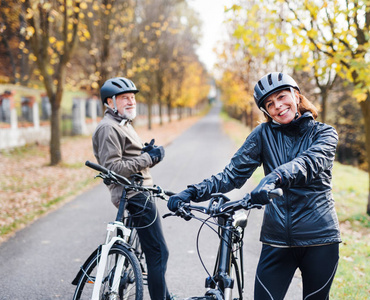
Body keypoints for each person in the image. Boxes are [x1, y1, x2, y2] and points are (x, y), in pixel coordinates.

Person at [168, 72, 341, 300]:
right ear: (265, 111)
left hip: (320, 238)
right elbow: (231, 175)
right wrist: (192, 192)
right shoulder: (262, 135)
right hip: (276, 238)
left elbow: (308, 163)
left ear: (296, 96)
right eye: (270, 104)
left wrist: (273, 178)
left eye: (281, 97)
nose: (278, 106)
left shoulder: (324, 133)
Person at [92, 77, 171, 299]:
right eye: (125, 98)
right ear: (110, 102)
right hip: (134, 194)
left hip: (140, 191)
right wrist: (148, 158)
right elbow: (114, 168)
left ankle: (164, 294)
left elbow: (126, 157)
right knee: (158, 253)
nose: (131, 101)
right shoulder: (108, 128)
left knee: (152, 252)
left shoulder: (121, 124)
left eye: (133, 97)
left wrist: (145, 153)